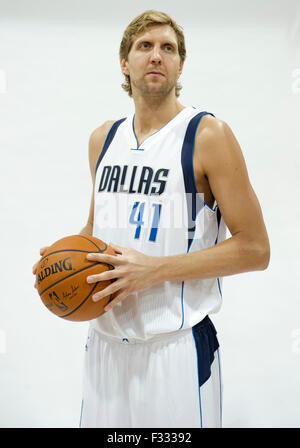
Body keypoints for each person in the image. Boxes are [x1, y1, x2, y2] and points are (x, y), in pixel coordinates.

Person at [32, 10, 270, 428]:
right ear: (125, 63)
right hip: (105, 346)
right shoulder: (103, 138)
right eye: (145, 46)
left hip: (174, 349)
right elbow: (97, 228)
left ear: (180, 65)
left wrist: (155, 270)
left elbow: (255, 248)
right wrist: (59, 258)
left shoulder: (208, 135)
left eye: (168, 48)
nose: (157, 56)